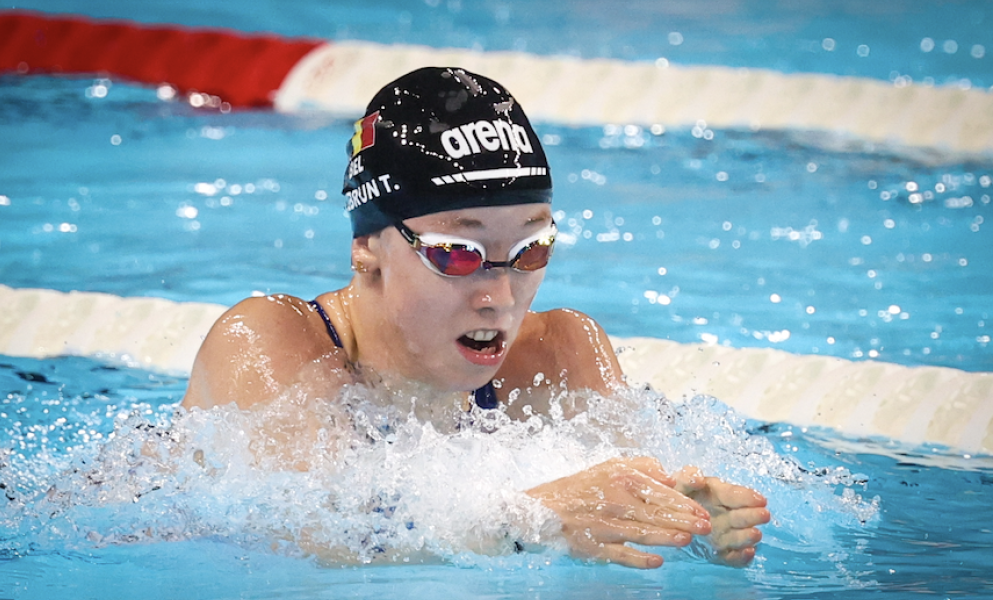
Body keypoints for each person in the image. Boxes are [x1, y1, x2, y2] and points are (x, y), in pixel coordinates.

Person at [182, 67, 770, 569]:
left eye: (530, 251)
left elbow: (611, 517)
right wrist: (531, 519)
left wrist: (687, 525)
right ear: (367, 248)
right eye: (456, 255)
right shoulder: (267, 340)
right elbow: (320, 539)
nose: (501, 296)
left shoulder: (560, 353)